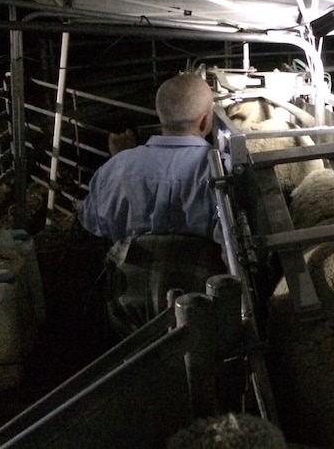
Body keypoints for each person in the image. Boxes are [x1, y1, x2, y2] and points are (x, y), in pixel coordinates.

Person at [78, 73, 225, 337]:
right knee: (198, 356)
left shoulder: (117, 167)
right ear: (205, 119)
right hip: (201, 291)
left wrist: (124, 162)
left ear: (160, 117)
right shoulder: (222, 168)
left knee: (135, 355)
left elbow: (91, 221)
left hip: (128, 291)